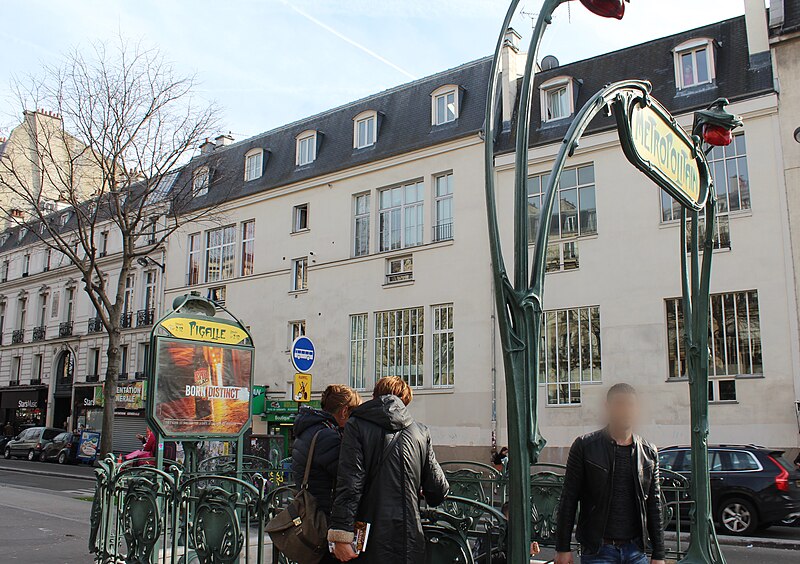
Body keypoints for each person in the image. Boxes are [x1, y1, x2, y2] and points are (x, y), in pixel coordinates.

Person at [328, 376, 449, 563]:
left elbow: (351, 483)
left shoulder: (356, 425)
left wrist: (341, 534)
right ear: (405, 401)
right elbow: (438, 490)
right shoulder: (420, 432)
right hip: (410, 539)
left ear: (375, 396)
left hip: (370, 538)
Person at [555, 383, 665, 564]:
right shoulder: (585, 446)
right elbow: (569, 498)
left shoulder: (648, 452)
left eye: (630, 405)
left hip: (636, 550)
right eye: (619, 404)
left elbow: (654, 505)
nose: (625, 411)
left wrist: (659, 555)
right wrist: (562, 548)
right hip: (599, 550)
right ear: (608, 407)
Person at [291, 384, 362, 563]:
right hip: (322, 517)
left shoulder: (311, 430)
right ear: (344, 411)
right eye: (354, 413)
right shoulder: (328, 437)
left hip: (310, 511)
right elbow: (347, 476)